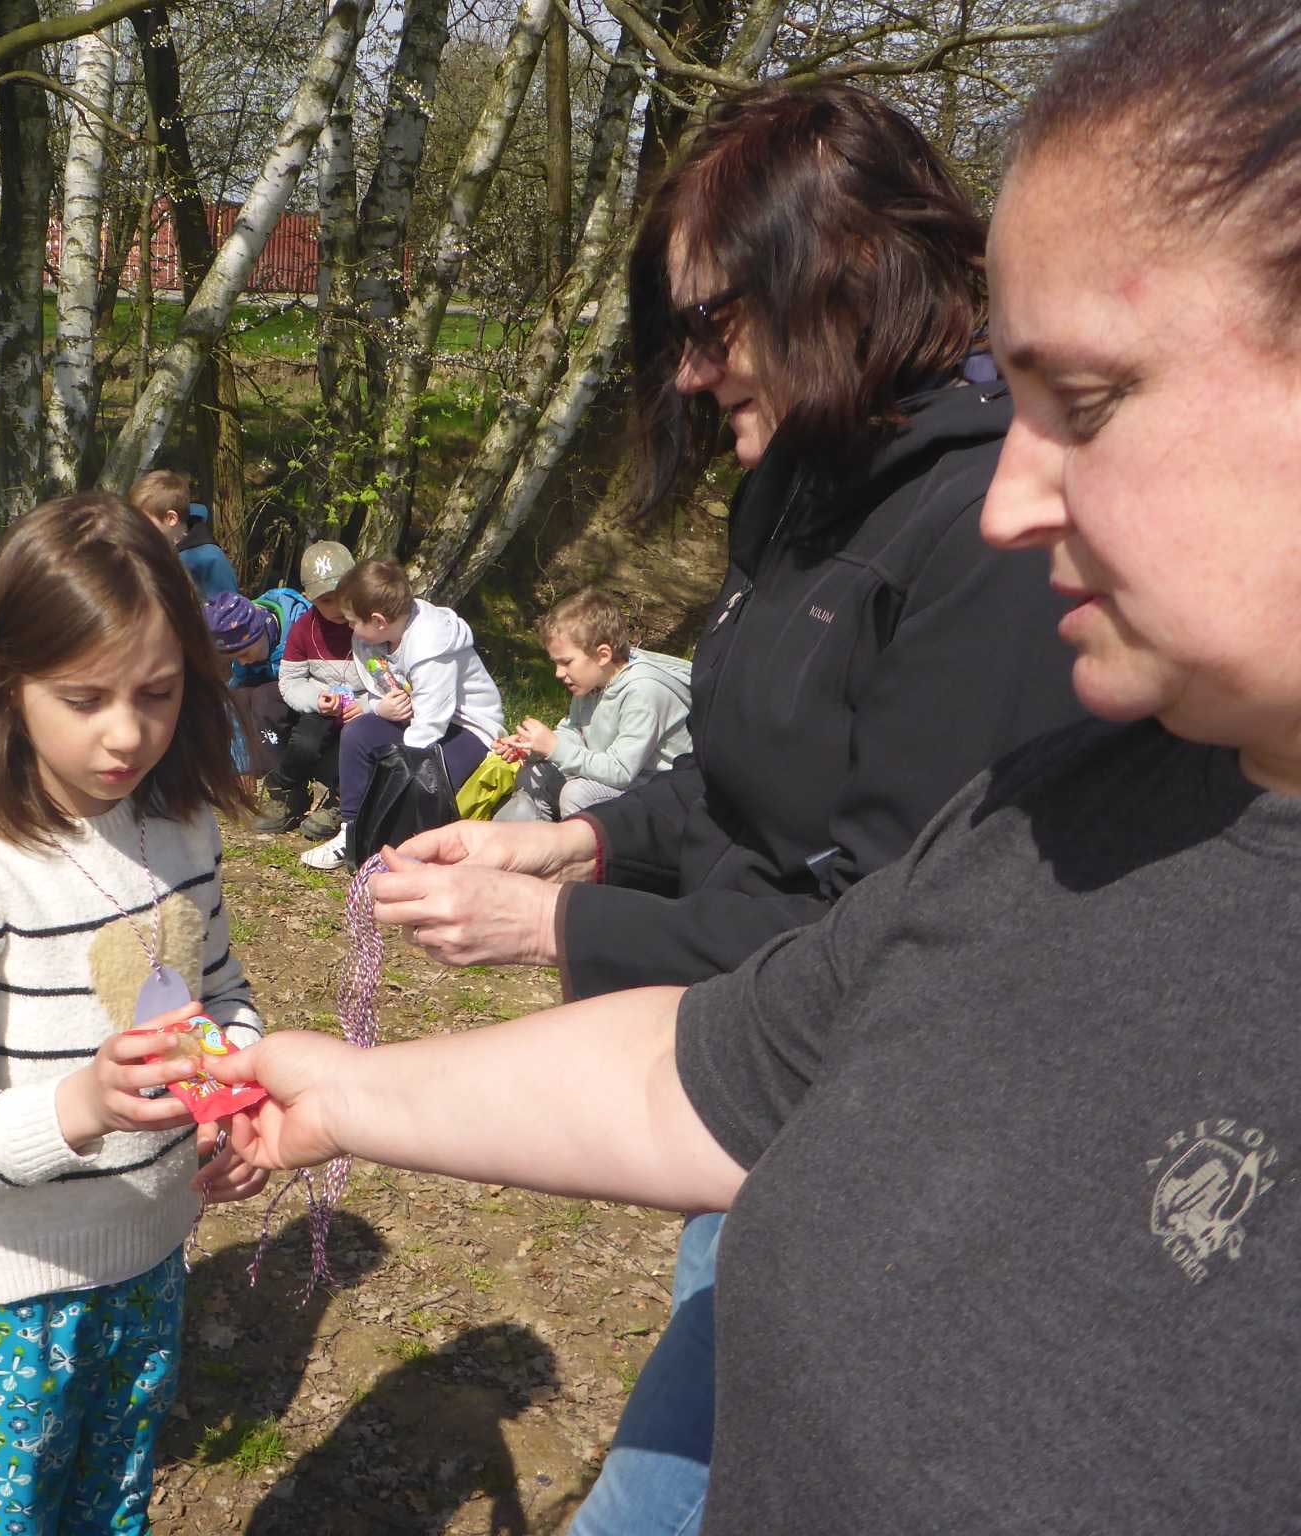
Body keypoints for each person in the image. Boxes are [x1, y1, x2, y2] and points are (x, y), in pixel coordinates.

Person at [215, 2, 1301, 1528]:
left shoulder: (999, 616)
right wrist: (343, 1082)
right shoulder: (1056, 808)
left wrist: (555, 924)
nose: (1015, 502)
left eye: (1096, 401)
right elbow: (726, 1066)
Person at [361, 82, 1087, 1535]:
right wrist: (575, 834)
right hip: (749, 1142)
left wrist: (559, 923)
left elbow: (879, 928)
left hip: (893, 1179)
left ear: (846, 282)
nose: (690, 374)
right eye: (677, 334)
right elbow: (745, 772)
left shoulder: (980, 542)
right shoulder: (801, 491)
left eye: (712, 325)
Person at [0, 491, 270, 1535]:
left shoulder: (176, 823)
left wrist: (230, 1099)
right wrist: (82, 1105)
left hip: (147, 1262)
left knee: (112, 1515)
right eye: (84, 696)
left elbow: (225, 1000)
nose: (127, 733)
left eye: (156, 692)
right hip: (2, 1300)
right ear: (6, 683)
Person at [302, 558, 504, 871]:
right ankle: (353, 833)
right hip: (415, 717)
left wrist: (396, 764)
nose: (349, 628)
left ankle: (405, 847)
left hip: (468, 729)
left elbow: (428, 729)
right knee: (358, 734)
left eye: (354, 622)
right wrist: (377, 710)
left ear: (379, 621)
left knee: (423, 776)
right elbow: (383, 689)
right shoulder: (379, 635)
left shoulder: (430, 646)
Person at [494, 590, 692, 823]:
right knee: (535, 774)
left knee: (577, 794)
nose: (558, 673)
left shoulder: (643, 692)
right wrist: (535, 747)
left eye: (566, 662)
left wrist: (555, 748)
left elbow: (622, 771)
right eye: (555, 663)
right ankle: (527, 840)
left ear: (603, 655)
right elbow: (577, 732)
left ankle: (582, 854)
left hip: (657, 791)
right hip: (618, 775)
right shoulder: (593, 681)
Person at [253, 539, 361, 838]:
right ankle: (286, 791)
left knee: (355, 747)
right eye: (326, 600)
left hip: (364, 709)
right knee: (305, 741)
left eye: (343, 595)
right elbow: (290, 680)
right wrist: (316, 699)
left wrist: (366, 705)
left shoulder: (370, 626)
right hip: (323, 705)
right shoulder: (305, 630)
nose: (338, 606)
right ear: (309, 599)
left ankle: (343, 801)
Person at [203, 589, 285, 777]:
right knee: (233, 699)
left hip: (302, 695)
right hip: (268, 692)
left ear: (260, 632)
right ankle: (244, 770)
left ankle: (274, 772)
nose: (242, 662)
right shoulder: (248, 656)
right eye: (235, 657)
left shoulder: (295, 631)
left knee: (263, 697)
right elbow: (233, 694)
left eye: (244, 654)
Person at [130, 467, 238, 598]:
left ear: (171, 519)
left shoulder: (209, 560)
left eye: (143, 520)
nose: (137, 527)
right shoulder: (149, 552)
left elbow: (230, 612)